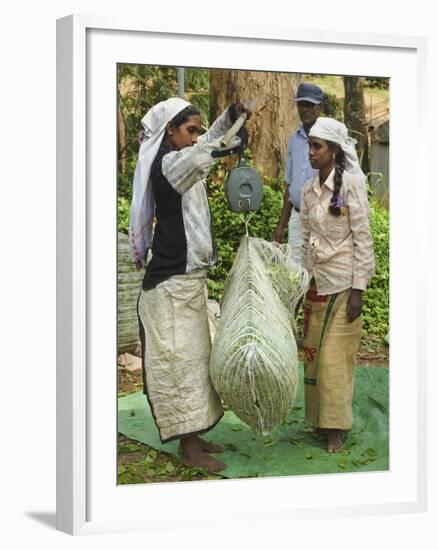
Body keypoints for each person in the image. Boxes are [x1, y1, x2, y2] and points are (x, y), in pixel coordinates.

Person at [129, 97, 252, 472]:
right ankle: (188, 449)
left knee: (197, 366)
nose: (195, 137)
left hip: (188, 284)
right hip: (169, 289)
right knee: (179, 370)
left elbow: (209, 142)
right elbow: (206, 152)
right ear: (169, 131)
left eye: (196, 130)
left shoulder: (185, 154)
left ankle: (195, 437)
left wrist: (232, 115)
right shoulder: (169, 164)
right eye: (189, 130)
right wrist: (227, 138)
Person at [300, 117, 375, 453]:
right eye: (310, 146)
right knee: (314, 357)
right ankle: (318, 421)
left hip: (345, 284)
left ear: (333, 151)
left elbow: (363, 238)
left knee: (334, 360)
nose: (311, 152)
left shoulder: (351, 186)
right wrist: (300, 282)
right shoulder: (308, 189)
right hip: (318, 282)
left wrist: (359, 288)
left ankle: (335, 428)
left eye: (317, 147)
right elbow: (303, 240)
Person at [272, 83, 325, 263]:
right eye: (301, 104)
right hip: (297, 218)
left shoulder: (330, 141)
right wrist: (281, 226)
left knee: (319, 275)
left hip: (322, 221)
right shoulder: (294, 139)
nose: (304, 109)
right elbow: (290, 186)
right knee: (295, 275)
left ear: (321, 107)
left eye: (310, 105)